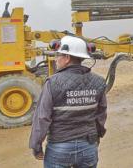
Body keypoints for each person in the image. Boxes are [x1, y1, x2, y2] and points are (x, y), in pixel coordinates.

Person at [29, 36, 107, 168]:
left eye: (58, 55)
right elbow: (101, 114)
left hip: (59, 148)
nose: (56, 59)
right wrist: (97, 136)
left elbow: (42, 117)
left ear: (67, 58)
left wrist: (36, 145)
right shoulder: (98, 82)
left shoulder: (52, 83)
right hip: (88, 146)